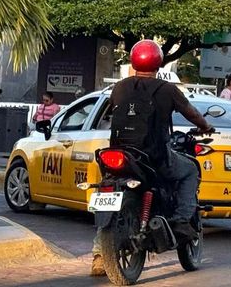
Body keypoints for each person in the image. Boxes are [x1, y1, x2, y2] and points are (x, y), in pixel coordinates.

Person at [91, 39, 213, 277]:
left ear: (134, 60)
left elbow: (108, 113)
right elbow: (192, 114)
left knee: (107, 190)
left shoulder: (120, 87)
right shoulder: (167, 89)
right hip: (153, 156)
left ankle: (98, 255)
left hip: (120, 155)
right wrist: (206, 126)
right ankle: (180, 220)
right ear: (158, 61)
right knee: (189, 170)